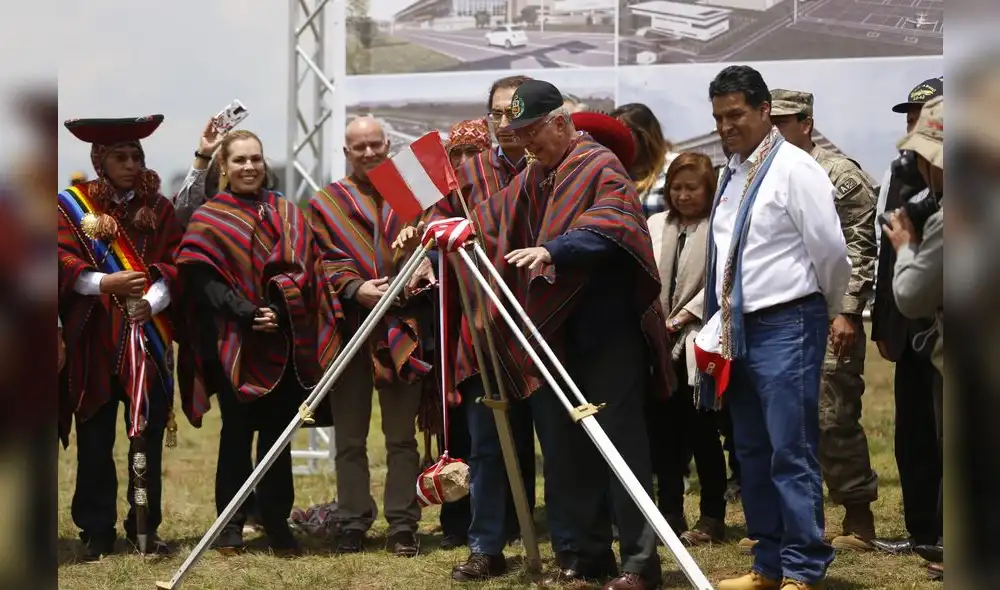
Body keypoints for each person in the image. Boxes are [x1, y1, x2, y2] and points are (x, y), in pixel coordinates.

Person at [486, 80, 671, 590]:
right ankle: (588, 557)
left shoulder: (599, 164)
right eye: (519, 134)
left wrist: (555, 250)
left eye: (533, 131)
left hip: (607, 333)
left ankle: (640, 564)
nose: (526, 143)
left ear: (562, 123)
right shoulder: (536, 173)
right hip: (556, 335)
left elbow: (613, 225)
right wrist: (446, 228)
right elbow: (495, 215)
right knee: (566, 451)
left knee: (622, 448)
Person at [696, 66, 850, 590]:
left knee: (790, 448)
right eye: (718, 117)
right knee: (752, 450)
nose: (725, 126)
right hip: (739, 326)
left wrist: (824, 307)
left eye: (735, 114)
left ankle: (803, 567)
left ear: (765, 110)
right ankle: (768, 563)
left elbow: (830, 252)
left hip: (789, 321)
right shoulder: (731, 174)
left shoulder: (795, 168)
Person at [405, 75, 543, 581]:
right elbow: (432, 229)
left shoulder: (554, 166)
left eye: (515, 112)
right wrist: (423, 249)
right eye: (498, 113)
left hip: (547, 327)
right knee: (487, 443)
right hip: (483, 331)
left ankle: (569, 543)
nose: (506, 123)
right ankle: (486, 546)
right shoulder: (465, 174)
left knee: (555, 440)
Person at [176, 129, 335, 556]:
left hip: (281, 339)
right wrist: (246, 311)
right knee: (236, 434)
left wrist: (278, 310)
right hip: (233, 342)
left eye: (255, 159)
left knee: (278, 438)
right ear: (224, 168)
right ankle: (229, 527)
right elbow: (201, 278)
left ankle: (276, 524)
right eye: (240, 160)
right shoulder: (210, 216)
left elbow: (307, 270)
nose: (249, 167)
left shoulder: (286, 210)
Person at [58, 114, 182, 560]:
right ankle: (96, 530)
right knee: (95, 437)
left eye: (136, 156)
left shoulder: (160, 208)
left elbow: (175, 264)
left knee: (147, 434)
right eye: (120, 157)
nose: (131, 165)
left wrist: (154, 301)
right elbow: (56, 259)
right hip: (95, 339)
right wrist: (103, 282)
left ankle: (144, 526)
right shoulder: (72, 206)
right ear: (100, 161)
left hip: (147, 337)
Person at [308, 116, 431, 558]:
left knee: (401, 438)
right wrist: (355, 287)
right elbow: (320, 259)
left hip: (403, 328)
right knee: (350, 439)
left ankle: (403, 524)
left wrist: (420, 269)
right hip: (350, 332)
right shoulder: (326, 201)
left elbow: (433, 240)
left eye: (375, 144)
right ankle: (352, 520)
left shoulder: (410, 189)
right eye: (358, 147)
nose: (368, 153)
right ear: (346, 152)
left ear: (387, 144)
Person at [770, 89, 881, 552]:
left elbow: (861, 248)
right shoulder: (762, 173)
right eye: (769, 121)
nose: (773, 131)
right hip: (779, 316)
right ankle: (798, 524)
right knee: (784, 421)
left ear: (806, 123)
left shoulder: (839, 174)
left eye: (782, 122)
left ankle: (858, 517)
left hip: (830, 313)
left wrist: (848, 311)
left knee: (833, 416)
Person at [869, 77, 944, 558]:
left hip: (941, 322)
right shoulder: (901, 170)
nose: (915, 126)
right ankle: (922, 534)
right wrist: (884, 323)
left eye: (924, 118)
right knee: (913, 434)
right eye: (911, 118)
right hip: (911, 324)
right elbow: (887, 252)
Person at [645, 152, 728, 547]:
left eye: (691, 188)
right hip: (658, 345)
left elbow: (721, 282)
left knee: (702, 432)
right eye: (676, 188)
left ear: (708, 189)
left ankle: (712, 516)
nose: (683, 195)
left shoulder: (719, 228)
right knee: (663, 432)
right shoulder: (655, 225)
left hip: (700, 342)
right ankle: (670, 512)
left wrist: (680, 318)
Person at [433, 117, 493, 550]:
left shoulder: (501, 197)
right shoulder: (438, 205)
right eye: (459, 153)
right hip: (450, 331)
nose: (468, 160)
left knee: (493, 430)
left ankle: (502, 517)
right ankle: (456, 520)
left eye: (476, 152)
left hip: (492, 331)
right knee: (455, 430)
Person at [611, 103, 671, 217]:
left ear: (644, 137)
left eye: (623, 133)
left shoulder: (673, 169)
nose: (617, 139)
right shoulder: (610, 170)